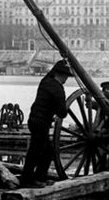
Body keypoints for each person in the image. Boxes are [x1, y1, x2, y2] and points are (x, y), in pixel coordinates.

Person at [21, 60, 72, 188]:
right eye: (65, 75)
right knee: (41, 151)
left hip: (34, 120)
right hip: (41, 122)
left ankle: (35, 178)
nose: (66, 78)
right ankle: (32, 179)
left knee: (40, 150)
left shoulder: (45, 81)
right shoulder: (58, 88)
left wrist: (63, 61)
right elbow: (62, 113)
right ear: (60, 75)